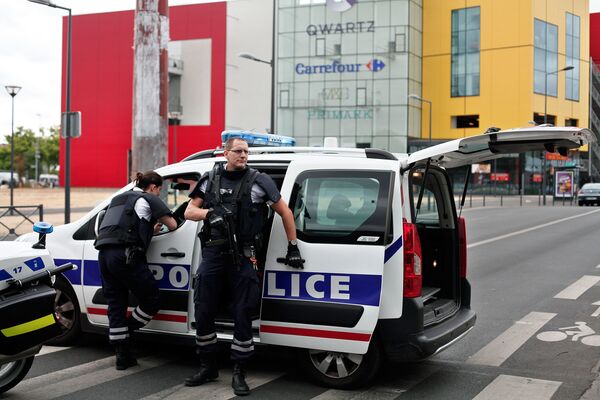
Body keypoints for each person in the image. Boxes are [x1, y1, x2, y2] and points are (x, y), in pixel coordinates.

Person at [184, 137, 303, 396]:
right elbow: (189, 211)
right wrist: (209, 213)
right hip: (214, 254)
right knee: (203, 309)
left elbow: (286, 212)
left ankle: (239, 372)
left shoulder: (259, 181)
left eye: (246, 152)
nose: (243, 155)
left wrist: (293, 246)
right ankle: (208, 366)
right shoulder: (210, 178)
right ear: (225, 153)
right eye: (238, 151)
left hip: (244, 255)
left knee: (242, 314)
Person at [94, 171, 177, 370]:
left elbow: (124, 225)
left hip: (104, 255)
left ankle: (122, 354)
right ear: (153, 187)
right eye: (159, 190)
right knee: (151, 299)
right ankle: (129, 331)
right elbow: (173, 224)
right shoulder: (148, 198)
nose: (159, 194)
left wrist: (149, 230)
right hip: (127, 256)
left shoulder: (119, 198)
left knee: (116, 302)